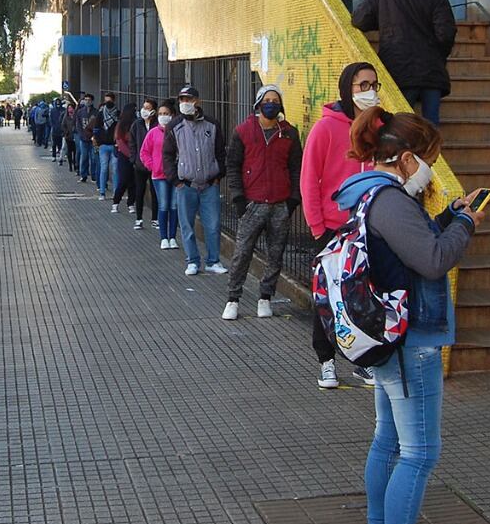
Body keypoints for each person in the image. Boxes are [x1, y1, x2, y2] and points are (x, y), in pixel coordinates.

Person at [332, 107, 484, 524]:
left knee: (388, 441)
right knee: (419, 453)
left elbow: (408, 249)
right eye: (426, 161)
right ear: (407, 159)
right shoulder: (391, 201)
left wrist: (447, 216)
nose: (429, 170)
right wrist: (467, 226)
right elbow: (434, 260)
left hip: (389, 337)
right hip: (410, 340)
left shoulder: (367, 191)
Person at [301, 62, 380, 389]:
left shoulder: (377, 128)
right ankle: (326, 360)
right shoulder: (325, 128)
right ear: (347, 88)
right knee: (329, 298)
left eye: (374, 84)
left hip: (367, 228)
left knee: (366, 299)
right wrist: (319, 229)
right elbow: (309, 181)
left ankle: (365, 362)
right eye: (363, 85)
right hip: (332, 231)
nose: (370, 91)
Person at [351, 0, 456, 123]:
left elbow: (359, 19)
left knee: (399, 123)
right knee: (430, 126)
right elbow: (446, 33)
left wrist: (384, 21)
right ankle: (430, 151)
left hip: (397, 67)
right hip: (431, 69)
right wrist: (438, 56)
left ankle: (402, 151)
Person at [222, 85, 303, 321]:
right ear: (258, 103)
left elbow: (296, 168)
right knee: (242, 253)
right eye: (267, 100)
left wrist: (293, 200)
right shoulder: (243, 131)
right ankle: (232, 299)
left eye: (275, 100)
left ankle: (265, 297)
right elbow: (233, 165)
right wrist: (239, 198)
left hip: (280, 204)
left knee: (275, 254)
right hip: (252, 203)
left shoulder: (289, 133)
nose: (271, 104)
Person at [162, 85, 227, 276]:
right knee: (186, 225)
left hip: (209, 184)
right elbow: (167, 154)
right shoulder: (174, 126)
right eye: (181, 100)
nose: (184, 104)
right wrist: (175, 180)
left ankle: (213, 260)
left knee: (213, 224)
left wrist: (218, 175)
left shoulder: (212, 125)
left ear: (197, 101)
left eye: (188, 100)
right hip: (186, 184)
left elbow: (220, 152)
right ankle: (192, 260)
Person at [140, 100, 180, 251]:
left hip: (176, 175)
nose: (163, 117)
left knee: (174, 206)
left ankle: (173, 237)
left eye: (167, 114)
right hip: (159, 176)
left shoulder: (178, 131)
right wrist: (153, 166)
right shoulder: (153, 133)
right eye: (161, 114)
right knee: (163, 205)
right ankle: (164, 238)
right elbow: (144, 152)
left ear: (173, 115)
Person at [129, 97, 160, 230]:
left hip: (154, 165)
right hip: (140, 164)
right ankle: (139, 218)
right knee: (139, 191)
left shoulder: (157, 125)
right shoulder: (137, 124)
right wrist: (134, 158)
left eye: (148, 108)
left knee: (155, 192)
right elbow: (132, 143)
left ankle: (155, 218)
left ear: (153, 110)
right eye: (144, 107)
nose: (144, 110)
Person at [111, 104, 138, 213]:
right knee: (123, 180)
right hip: (124, 156)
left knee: (133, 181)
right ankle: (116, 202)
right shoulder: (121, 125)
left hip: (135, 155)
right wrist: (131, 155)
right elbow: (120, 142)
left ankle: (131, 203)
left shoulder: (136, 123)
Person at [94, 93, 120, 202]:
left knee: (115, 169)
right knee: (104, 168)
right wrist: (99, 142)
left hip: (114, 145)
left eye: (109, 101)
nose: (107, 103)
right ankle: (102, 191)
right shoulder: (100, 114)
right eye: (106, 101)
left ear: (113, 101)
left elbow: (120, 128)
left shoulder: (118, 114)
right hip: (104, 145)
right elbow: (96, 128)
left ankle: (116, 192)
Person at [74, 93, 98, 183]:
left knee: (93, 158)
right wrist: (82, 135)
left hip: (93, 139)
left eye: (89, 100)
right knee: (84, 157)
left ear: (92, 101)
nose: (87, 101)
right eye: (86, 100)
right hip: (83, 139)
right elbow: (78, 125)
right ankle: (83, 175)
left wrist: (94, 136)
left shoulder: (96, 112)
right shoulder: (80, 112)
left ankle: (94, 176)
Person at [61, 101, 78, 172]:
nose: (70, 110)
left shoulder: (76, 116)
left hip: (75, 136)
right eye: (69, 108)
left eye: (71, 108)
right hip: (68, 137)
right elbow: (63, 125)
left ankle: (75, 164)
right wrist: (66, 132)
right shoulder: (66, 117)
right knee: (69, 151)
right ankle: (70, 165)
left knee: (76, 152)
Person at [49, 98, 65, 163]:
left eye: (59, 102)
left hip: (61, 130)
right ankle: (54, 156)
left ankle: (61, 157)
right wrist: (53, 126)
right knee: (54, 144)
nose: (58, 103)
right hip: (55, 129)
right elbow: (51, 119)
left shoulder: (63, 110)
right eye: (57, 102)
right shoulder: (53, 110)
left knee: (61, 145)